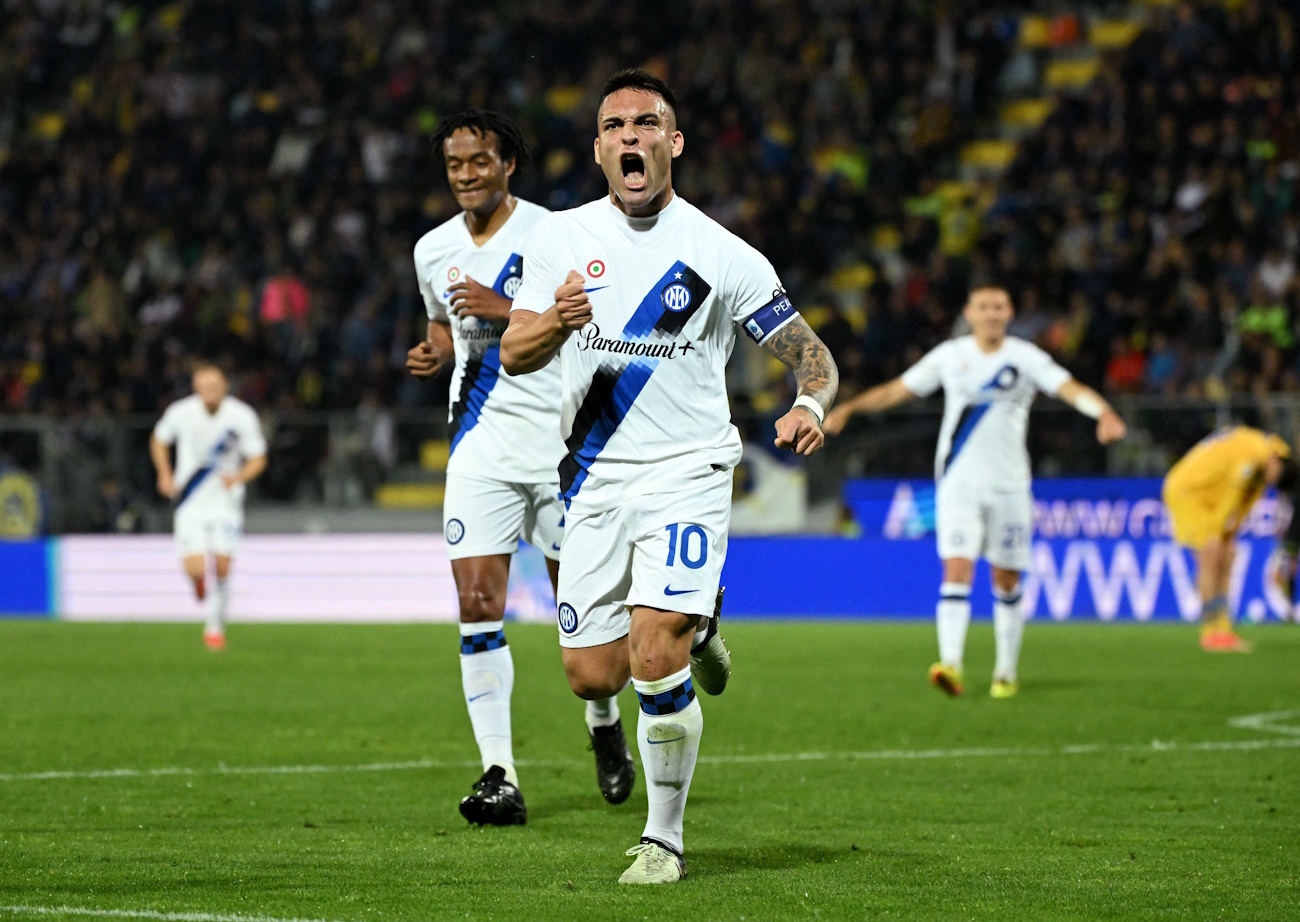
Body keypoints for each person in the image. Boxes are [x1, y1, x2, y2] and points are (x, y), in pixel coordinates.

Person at [501, 69, 838, 884]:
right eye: (614, 125)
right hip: (591, 482)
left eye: (646, 123)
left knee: (655, 656)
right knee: (594, 671)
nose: (630, 136)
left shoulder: (722, 252)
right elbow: (514, 352)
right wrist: (555, 318)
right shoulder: (556, 240)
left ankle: (664, 838)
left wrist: (810, 407)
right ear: (598, 149)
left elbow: (813, 356)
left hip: (688, 472)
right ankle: (706, 620)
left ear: (672, 142)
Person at [407, 109, 632, 828]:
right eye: (454, 165)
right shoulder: (431, 250)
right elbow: (444, 322)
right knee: (477, 606)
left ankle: (603, 723)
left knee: (585, 626)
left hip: (560, 447)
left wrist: (504, 309)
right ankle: (499, 773)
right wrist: (437, 349)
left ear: (509, 165)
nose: (466, 175)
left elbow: (584, 317)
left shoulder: (554, 233)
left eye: (479, 162)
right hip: (479, 448)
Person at [824, 286, 1126, 698]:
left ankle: (1005, 670)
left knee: (1005, 577)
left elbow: (1068, 388)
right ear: (969, 312)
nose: (990, 313)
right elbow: (898, 389)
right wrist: (849, 408)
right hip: (958, 484)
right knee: (957, 568)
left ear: (1009, 312)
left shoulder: (1025, 357)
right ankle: (950, 663)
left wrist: (1103, 411)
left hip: (1010, 485)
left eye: (998, 306)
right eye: (983, 307)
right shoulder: (951, 355)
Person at [149, 363, 267, 650]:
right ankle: (199, 583)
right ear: (196, 387)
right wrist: (164, 474)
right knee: (196, 568)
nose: (210, 392)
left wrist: (239, 477)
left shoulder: (241, 416)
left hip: (226, 500)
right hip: (190, 499)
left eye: (215, 386)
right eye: (204, 386)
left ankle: (215, 626)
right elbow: (158, 440)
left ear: (226, 386)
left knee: (223, 564)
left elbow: (258, 457)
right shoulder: (181, 412)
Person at [1162, 426, 1298, 652]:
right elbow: (1232, 495)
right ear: (1277, 461)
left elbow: (1246, 500)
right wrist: (1219, 530)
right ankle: (1209, 631)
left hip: (1208, 495)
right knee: (1211, 553)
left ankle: (1223, 628)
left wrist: (1230, 533)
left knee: (1228, 553)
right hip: (1188, 492)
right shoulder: (1253, 455)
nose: (1269, 480)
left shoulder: (1265, 457)